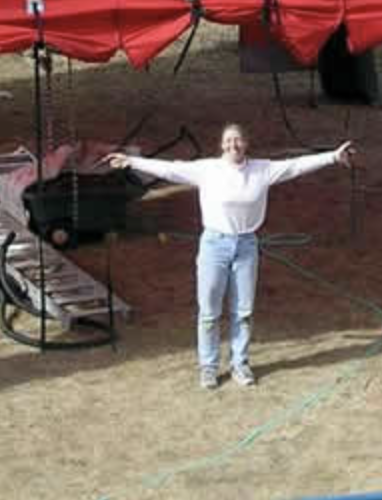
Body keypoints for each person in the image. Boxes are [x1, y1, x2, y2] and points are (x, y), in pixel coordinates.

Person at [106, 125, 354, 390]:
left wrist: (332, 157)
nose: (233, 144)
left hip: (247, 245)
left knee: (243, 311)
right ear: (221, 144)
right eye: (228, 140)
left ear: (246, 143)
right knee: (209, 313)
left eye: (238, 140)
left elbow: (295, 166)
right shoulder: (207, 170)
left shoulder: (262, 169)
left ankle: (240, 364)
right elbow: (170, 169)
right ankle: (209, 368)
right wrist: (131, 161)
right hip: (215, 245)